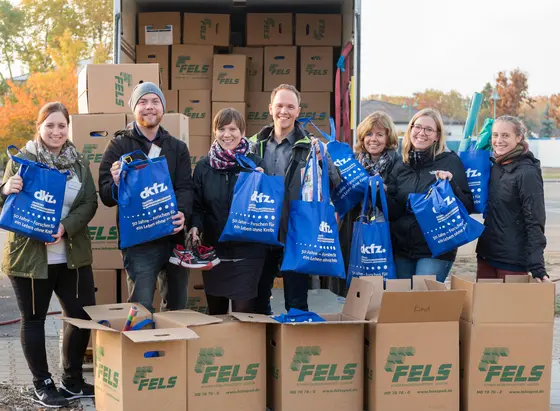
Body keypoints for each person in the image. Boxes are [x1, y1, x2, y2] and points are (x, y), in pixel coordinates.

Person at [0, 102, 98, 407]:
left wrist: (65, 227)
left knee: (80, 315)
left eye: (62, 125)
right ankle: (42, 383)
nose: (56, 131)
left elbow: (89, 202)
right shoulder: (22, 160)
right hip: (29, 259)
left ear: (68, 128)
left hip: (71, 255)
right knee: (33, 320)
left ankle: (72, 381)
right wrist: (5, 188)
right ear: (39, 127)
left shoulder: (79, 161)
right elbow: (6, 203)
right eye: (50, 125)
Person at [98, 82, 194, 312]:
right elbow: (105, 194)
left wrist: (182, 212)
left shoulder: (177, 148)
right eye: (143, 102)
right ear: (133, 108)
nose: (149, 107)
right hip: (139, 243)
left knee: (177, 308)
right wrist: (117, 184)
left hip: (173, 239)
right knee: (141, 308)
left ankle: (172, 349)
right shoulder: (119, 145)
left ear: (163, 108)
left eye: (155, 101)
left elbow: (185, 187)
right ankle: (141, 348)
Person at [189, 108, 267, 314]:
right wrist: (195, 226)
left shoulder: (255, 164)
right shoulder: (204, 167)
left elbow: (266, 206)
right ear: (215, 132)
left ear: (242, 132)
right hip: (214, 251)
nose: (227, 134)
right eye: (221, 129)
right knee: (217, 314)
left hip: (248, 253)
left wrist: (261, 182)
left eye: (233, 129)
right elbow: (196, 205)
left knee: (244, 314)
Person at [385, 108, 474, 283]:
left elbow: (468, 206)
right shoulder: (401, 163)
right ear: (410, 130)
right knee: (403, 302)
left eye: (428, 129)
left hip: (436, 247)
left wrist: (452, 186)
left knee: (423, 303)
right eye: (417, 127)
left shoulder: (450, 161)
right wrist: (381, 192)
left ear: (437, 135)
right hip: (402, 248)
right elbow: (394, 210)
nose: (421, 133)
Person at [250, 84, 316, 314]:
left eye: (290, 106)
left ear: (298, 111)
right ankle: (263, 347)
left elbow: (333, 181)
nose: (284, 111)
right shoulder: (253, 145)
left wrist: (324, 158)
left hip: (295, 231)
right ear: (270, 108)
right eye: (279, 106)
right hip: (261, 232)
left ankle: (295, 347)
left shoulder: (311, 147)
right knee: (257, 299)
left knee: (297, 302)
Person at [330, 111, 401, 296]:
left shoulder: (398, 164)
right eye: (369, 134)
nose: (373, 139)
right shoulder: (351, 163)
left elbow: (400, 201)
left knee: (380, 289)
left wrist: (384, 190)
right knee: (351, 288)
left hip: (383, 234)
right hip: (351, 230)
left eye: (379, 134)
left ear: (388, 137)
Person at [476, 116, 550, 282]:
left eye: (505, 135)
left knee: (509, 308)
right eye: (495, 135)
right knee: (485, 308)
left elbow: (535, 220)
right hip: (486, 256)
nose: (499, 140)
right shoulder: (495, 166)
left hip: (512, 261)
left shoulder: (527, 173)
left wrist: (537, 266)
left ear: (519, 138)